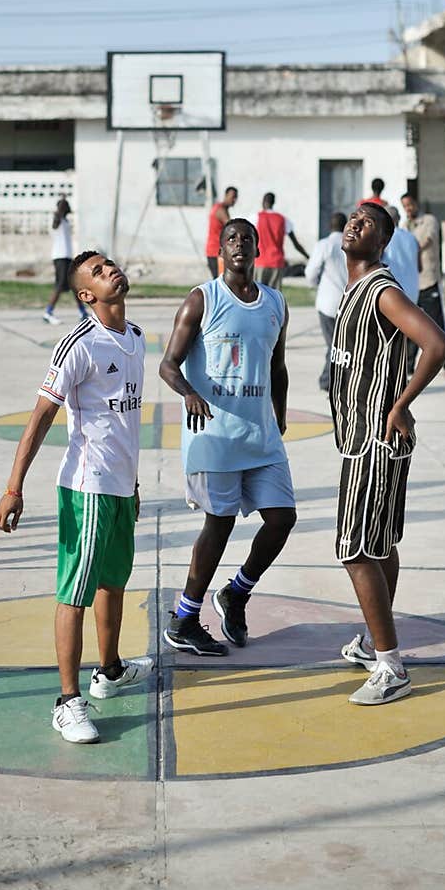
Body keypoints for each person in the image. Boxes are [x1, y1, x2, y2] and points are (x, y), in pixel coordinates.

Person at [0, 250, 152, 745]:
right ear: (86, 295)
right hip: (86, 489)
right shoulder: (77, 346)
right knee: (75, 592)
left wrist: (134, 484)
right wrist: (13, 487)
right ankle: (67, 701)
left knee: (113, 583)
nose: (112, 272)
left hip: (121, 487)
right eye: (99, 273)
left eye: (111, 265)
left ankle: (109, 671)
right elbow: (41, 417)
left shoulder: (137, 339)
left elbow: (124, 424)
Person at [332, 202, 445, 705]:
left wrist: (401, 403)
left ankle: (390, 666)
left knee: (356, 550)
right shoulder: (355, 288)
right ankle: (371, 642)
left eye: (369, 225)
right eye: (354, 218)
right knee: (379, 545)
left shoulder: (382, 291)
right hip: (364, 440)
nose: (356, 225)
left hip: (374, 440)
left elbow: (437, 343)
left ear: (381, 243)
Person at [160, 217, 296, 655]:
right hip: (214, 435)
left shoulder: (276, 303)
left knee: (282, 518)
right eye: (232, 238)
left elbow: (278, 367)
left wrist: (279, 415)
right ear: (221, 250)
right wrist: (189, 393)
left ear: (259, 249)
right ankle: (184, 618)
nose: (240, 244)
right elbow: (168, 364)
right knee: (217, 525)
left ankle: (236, 592)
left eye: (247, 238)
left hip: (261, 434)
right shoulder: (202, 299)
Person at [400, 193, 445, 378]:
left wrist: (410, 247)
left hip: (428, 280)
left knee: (436, 325)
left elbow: (428, 240)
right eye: (404, 206)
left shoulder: (429, 221)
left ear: (416, 204)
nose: (408, 209)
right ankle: (408, 367)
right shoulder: (404, 227)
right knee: (413, 327)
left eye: (410, 205)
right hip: (412, 283)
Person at [304, 213, 348, 391]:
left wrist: (315, 284)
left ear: (330, 226)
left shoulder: (324, 245)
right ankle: (334, 379)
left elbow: (311, 272)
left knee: (333, 344)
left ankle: (328, 380)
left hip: (328, 302)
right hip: (348, 301)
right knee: (342, 344)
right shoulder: (351, 244)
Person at [42, 198, 89, 326]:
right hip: (60, 257)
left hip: (67, 257)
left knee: (74, 285)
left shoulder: (66, 221)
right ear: (62, 208)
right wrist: (62, 203)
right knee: (60, 285)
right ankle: (48, 312)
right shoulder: (57, 221)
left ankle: (83, 312)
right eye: (66, 206)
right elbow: (56, 219)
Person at [254, 192, 310, 289]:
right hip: (276, 262)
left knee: (258, 294)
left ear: (263, 202)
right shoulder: (283, 220)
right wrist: (308, 256)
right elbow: (296, 244)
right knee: (274, 296)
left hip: (260, 261)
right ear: (273, 203)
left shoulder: (256, 217)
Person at [381, 205, 420, 304]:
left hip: (393, 294)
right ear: (399, 218)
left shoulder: (384, 238)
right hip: (413, 293)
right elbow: (420, 266)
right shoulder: (412, 238)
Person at [204, 185, 238, 279]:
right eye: (232, 197)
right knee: (222, 281)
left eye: (236, 197)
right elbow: (232, 228)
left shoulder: (221, 208)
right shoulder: (221, 209)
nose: (234, 200)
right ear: (226, 195)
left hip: (216, 251)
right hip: (216, 251)